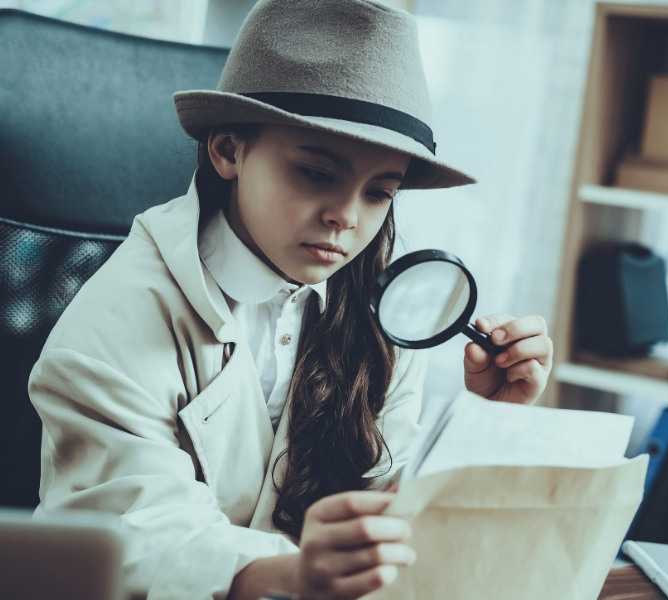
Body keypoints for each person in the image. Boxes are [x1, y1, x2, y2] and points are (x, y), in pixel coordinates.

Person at [28, 1, 553, 599]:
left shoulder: (383, 312)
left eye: (380, 192)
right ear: (228, 150)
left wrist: (487, 422)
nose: (346, 219)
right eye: (315, 173)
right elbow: (136, 536)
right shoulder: (117, 319)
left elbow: (389, 509)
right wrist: (289, 574)